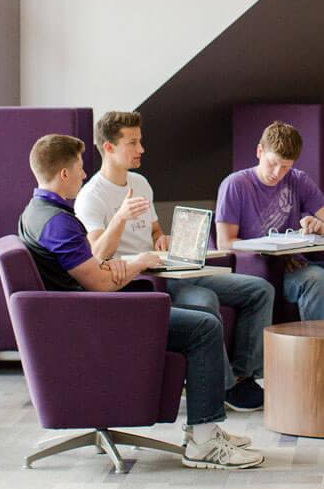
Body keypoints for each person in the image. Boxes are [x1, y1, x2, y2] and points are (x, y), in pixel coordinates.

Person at [16, 133, 263, 469]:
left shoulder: (35, 212)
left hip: (76, 314)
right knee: (204, 327)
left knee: (203, 317)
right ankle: (203, 442)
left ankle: (207, 430)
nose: (83, 174)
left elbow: (88, 269)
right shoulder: (57, 222)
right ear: (63, 174)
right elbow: (102, 284)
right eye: (78, 168)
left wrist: (112, 266)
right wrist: (137, 263)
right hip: (91, 320)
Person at [74, 110, 275, 412]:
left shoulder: (140, 183)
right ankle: (223, 387)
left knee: (260, 290)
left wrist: (161, 238)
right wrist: (120, 217)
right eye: (133, 143)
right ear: (109, 148)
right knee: (205, 299)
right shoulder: (91, 196)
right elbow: (97, 253)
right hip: (141, 281)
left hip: (168, 268)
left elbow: (154, 229)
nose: (141, 149)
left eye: (140, 141)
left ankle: (243, 377)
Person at [215, 121, 324, 320]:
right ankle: (321, 350)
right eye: (273, 163)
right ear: (259, 151)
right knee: (316, 278)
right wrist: (273, 252)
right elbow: (225, 242)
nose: (277, 174)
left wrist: (319, 227)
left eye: (286, 167)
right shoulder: (235, 185)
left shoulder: (298, 180)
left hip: (298, 266)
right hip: (263, 270)